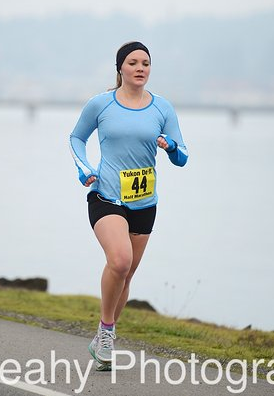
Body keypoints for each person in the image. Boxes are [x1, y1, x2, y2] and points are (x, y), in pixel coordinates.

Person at [69, 41, 188, 369]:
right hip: (106, 196)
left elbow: (182, 157)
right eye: (133, 62)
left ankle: (102, 335)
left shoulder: (162, 108)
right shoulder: (101, 104)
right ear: (120, 67)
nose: (140, 68)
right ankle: (107, 333)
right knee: (120, 262)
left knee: (127, 273)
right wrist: (84, 168)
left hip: (144, 202)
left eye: (145, 63)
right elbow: (76, 137)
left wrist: (171, 146)